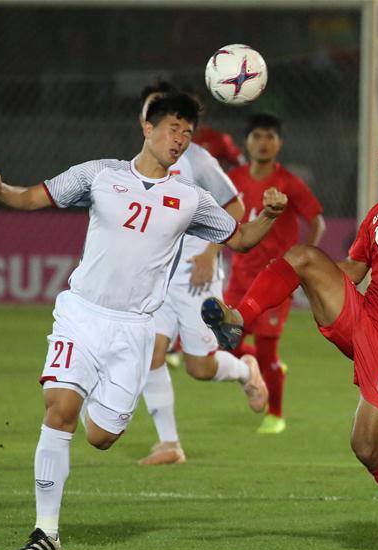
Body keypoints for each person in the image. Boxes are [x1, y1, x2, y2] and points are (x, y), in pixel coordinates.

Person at [0, 92, 287, 550]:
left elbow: (241, 238)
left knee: (100, 437)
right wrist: (0, 190)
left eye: (187, 132)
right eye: (172, 129)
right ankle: (46, 531)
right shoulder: (99, 175)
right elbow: (34, 197)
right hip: (81, 313)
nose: (180, 140)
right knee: (59, 409)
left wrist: (271, 215)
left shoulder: (190, 199)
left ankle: (95, 395)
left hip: (135, 329)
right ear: (147, 128)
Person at [201, 112, 378, 550]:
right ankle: (239, 319)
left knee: (365, 445)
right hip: (366, 317)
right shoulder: (377, 215)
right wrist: (305, 278)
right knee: (301, 256)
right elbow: (354, 270)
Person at [134, 82, 269, 466]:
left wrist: (211, 250)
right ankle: (169, 444)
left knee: (199, 367)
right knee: (151, 353)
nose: (171, 132)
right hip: (158, 277)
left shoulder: (198, 160)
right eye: (153, 116)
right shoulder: (137, 165)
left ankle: (245, 370)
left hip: (197, 277)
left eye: (181, 126)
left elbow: (237, 208)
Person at [225, 113, 326, 434]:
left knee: (268, 347)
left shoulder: (288, 183)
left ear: (279, 143)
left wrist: (299, 265)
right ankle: (270, 371)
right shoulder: (234, 179)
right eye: (257, 136)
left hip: (272, 280)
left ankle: (276, 415)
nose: (263, 143)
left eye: (270, 136)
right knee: (225, 341)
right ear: (247, 141)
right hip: (239, 277)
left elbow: (317, 222)